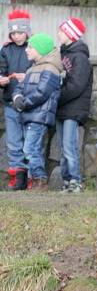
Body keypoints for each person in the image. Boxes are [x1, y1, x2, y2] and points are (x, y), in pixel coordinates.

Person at [12, 33, 63, 191]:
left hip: (39, 117)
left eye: (30, 47)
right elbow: (19, 88)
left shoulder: (51, 69)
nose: (26, 50)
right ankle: (34, 181)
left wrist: (24, 103)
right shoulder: (32, 68)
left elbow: (42, 93)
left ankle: (40, 179)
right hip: (28, 115)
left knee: (30, 149)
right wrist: (17, 98)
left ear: (40, 50)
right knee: (31, 149)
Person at [56, 17, 93, 193]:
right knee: (63, 147)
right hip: (62, 109)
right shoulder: (62, 54)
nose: (59, 34)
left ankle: (75, 180)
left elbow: (77, 85)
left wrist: (57, 97)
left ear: (70, 35)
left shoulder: (80, 58)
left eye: (62, 31)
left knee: (70, 146)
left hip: (73, 109)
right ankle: (66, 180)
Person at [0, 10, 32, 191]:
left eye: (20, 32)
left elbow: (39, 69)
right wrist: (1, 79)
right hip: (10, 102)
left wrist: (25, 77)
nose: (16, 36)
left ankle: (31, 176)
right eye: (13, 33)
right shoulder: (5, 50)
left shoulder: (33, 47)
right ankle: (16, 177)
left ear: (27, 31)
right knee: (13, 142)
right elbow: (1, 69)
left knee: (30, 141)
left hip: (29, 102)